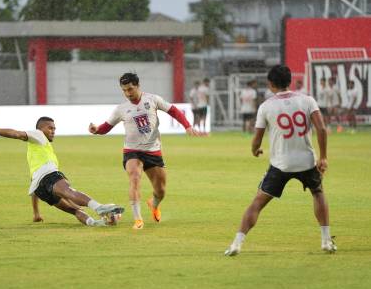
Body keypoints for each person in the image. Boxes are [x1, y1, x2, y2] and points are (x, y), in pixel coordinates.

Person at [224, 65, 336, 256]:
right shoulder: (307, 100)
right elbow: (322, 129)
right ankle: (326, 241)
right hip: (307, 161)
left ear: (270, 84)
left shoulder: (266, 106)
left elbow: (257, 139)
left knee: (257, 203)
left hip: (281, 164)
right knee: (318, 193)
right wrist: (323, 156)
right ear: (290, 81)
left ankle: (236, 243)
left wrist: (255, 150)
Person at [89, 73, 201, 229]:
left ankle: (153, 204)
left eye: (130, 89)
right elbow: (106, 127)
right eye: (124, 90)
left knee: (160, 190)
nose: (128, 93)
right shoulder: (121, 109)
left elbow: (173, 110)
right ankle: (138, 219)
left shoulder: (153, 100)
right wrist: (96, 130)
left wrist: (187, 125)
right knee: (134, 177)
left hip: (153, 151)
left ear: (138, 86)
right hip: (132, 150)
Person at [0, 117, 124, 227]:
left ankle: (97, 223)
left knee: (74, 209)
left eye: (54, 129)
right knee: (69, 191)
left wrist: (36, 213)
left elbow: (33, 184)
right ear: (41, 129)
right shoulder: (38, 135)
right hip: (49, 177)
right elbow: (16, 134)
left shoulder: (37, 152)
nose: (53, 131)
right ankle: (99, 207)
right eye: (50, 128)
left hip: (39, 188)